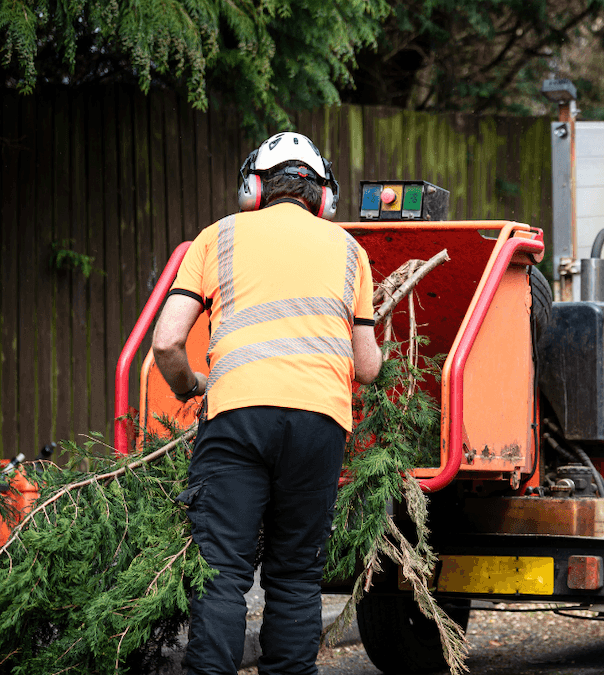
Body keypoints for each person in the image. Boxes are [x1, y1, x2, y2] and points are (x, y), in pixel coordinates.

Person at [151, 131, 382, 675]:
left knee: (223, 571)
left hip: (238, 419)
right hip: (319, 424)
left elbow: (166, 342)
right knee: (296, 575)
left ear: (253, 188)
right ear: (324, 197)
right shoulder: (351, 251)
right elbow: (369, 368)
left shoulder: (217, 238)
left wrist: (190, 387)